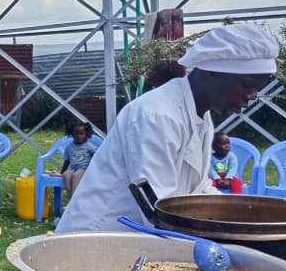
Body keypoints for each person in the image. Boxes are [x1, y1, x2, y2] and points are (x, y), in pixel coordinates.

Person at [56, 24, 279, 234]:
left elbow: (197, 189)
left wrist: (239, 219)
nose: (252, 96)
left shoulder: (200, 115)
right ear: (211, 72)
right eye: (248, 85)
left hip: (137, 239)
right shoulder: (157, 115)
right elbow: (157, 208)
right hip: (98, 238)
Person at [58, 121, 98, 200]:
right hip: (72, 168)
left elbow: (97, 157)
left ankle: (74, 202)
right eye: (76, 134)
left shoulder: (90, 146)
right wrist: (62, 172)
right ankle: (73, 199)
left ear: (86, 133)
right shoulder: (69, 147)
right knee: (66, 175)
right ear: (72, 134)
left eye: (81, 134)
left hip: (84, 169)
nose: (79, 136)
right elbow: (67, 161)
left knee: (76, 176)